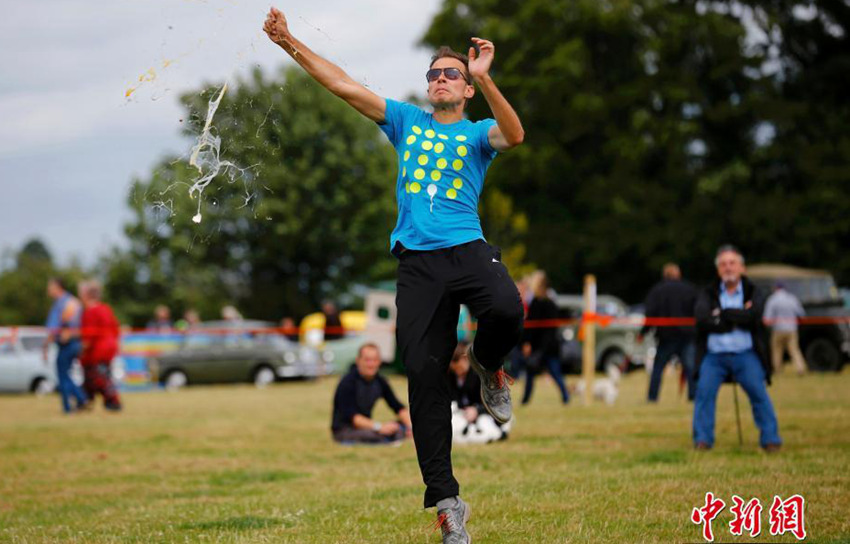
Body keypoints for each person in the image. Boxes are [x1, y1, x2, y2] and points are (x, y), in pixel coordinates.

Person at [264, 8, 524, 540]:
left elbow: (516, 135)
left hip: (467, 248)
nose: (440, 80)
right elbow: (341, 83)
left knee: (506, 309)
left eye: (451, 73)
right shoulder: (406, 121)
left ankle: (486, 363)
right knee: (424, 379)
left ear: (467, 87)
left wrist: (485, 76)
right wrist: (288, 42)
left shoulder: (477, 134)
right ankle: (449, 505)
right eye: (434, 74)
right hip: (418, 264)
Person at [693, 245, 780, 452]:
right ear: (718, 269)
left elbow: (754, 316)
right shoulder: (707, 292)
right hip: (714, 357)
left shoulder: (754, 291)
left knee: (759, 393)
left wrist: (722, 313)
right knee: (703, 393)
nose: (728, 267)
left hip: (746, 355)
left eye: (732, 263)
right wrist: (740, 315)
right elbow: (703, 320)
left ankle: (770, 439)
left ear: (742, 267)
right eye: (723, 264)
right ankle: (703, 440)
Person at [331, 343, 412, 444]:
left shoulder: (380, 381)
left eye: (374, 360)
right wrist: (380, 427)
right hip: (346, 430)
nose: (371, 364)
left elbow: (397, 407)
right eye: (367, 360)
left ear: (379, 362)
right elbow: (354, 418)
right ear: (358, 361)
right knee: (379, 435)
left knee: (398, 427)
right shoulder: (348, 382)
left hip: (367, 428)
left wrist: (410, 427)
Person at [640, 263, 698, 402]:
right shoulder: (690, 289)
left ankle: (652, 397)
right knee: (690, 368)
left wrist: (643, 332)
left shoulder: (657, 291)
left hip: (666, 336)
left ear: (664, 276)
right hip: (687, 335)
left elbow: (650, 314)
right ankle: (694, 396)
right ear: (678, 274)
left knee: (658, 369)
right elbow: (698, 311)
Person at [520, 271, 569, 405]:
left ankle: (566, 396)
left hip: (547, 347)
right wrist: (526, 342)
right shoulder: (535, 302)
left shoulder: (549, 303)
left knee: (555, 373)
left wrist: (539, 347)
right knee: (530, 373)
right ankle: (525, 400)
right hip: (538, 346)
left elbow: (550, 330)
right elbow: (530, 325)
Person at [448, 342, 509, 444]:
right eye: (454, 370)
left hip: (484, 414)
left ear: (464, 359)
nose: (457, 372)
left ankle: (498, 432)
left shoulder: (480, 375)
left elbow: (495, 402)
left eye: (458, 368)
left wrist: (477, 410)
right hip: (464, 415)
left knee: (484, 424)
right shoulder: (451, 376)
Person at [43, 278, 88, 413]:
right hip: (72, 343)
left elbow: (56, 327)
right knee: (65, 374)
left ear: (58, 287)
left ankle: (73, 403)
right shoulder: (71, 302)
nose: (48, 290)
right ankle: (78, 400)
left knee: (63, 375)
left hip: (68, 343)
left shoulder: (65, 303)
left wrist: (45, 346)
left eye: (50, 287)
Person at [78, 280, 122, 411]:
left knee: (98, 378)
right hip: (109, 349)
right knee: (96, 378)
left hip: (97, 351)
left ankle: (112, 401)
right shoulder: (106, 309)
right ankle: (86, 400)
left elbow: (88, 336)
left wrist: (82, 350)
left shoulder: (90, 312)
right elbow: (116, 329)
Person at [764, 283, 807, 375]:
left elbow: (767, 317)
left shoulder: (772, 299)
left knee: (777, 350)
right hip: (792, 329)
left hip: (778, 329)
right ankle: (800, 368)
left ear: (775, 288)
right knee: (794, 350)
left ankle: (778, 370)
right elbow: (801, 313)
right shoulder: (792, 298)